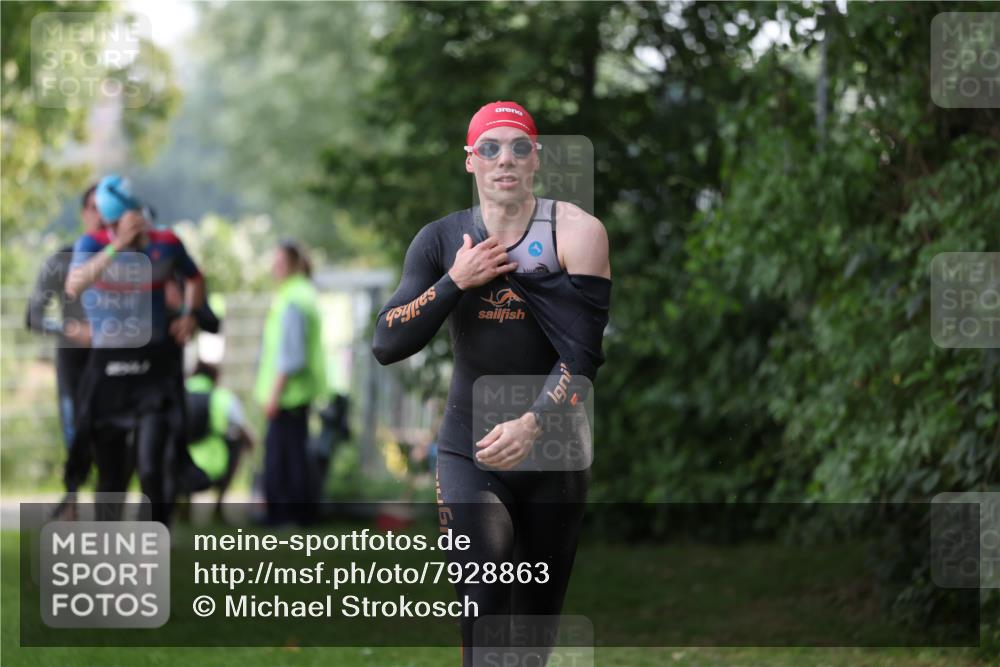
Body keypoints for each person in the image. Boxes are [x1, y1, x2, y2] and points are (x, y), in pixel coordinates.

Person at [372, 101, 611, 665]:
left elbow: (581, 358)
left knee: (531, 641)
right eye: (490, 148)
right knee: (483, 622)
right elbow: (387, 341)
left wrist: (533, 423)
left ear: (537, 160)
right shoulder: (441, 240)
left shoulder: (577, 234)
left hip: (553, 448)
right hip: (469, 449)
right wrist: (455, 281)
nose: (505, 159)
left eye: (519, 147)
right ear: (470, 162)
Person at [63, 174, 205, 525]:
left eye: (124, 222)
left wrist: (189, 314)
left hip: (152, 369)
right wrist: (117, 246)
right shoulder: (93, 244)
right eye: (110, 222)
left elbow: (195, 277)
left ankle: (157, 538)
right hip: (108, 369)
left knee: (150, 464)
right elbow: (73, 286)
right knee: (110, 473)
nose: (119, 228)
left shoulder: (167, 242)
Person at [25, 184, 101, 518]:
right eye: (95, 208)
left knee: (115, 440)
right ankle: (71, 500)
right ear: (84, 213)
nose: (102, 217)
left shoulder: (133, 261)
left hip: (117, 365)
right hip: (74, 362)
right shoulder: (63, 260)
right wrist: (71, 329)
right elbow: (33, 315)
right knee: (76, 432)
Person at [254, 240, 326, 526]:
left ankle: (285, 516)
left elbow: (290, 356)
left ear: (294, 265)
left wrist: (274, 395)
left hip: (287, 395)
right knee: (292, 455)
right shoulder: (299, 293)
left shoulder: (294, 298)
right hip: (293, 394)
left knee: (283, 459)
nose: (274, 268)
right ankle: (293, 515)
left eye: (280, 263)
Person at [184, 360, 254, 519]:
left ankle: (183, 507)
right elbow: (246, 433)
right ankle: (218, 506)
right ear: (215, 378)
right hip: (215, 465)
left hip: (179, 465)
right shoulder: (223, 398)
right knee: (236, 443)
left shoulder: (178, 394)